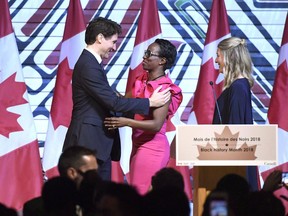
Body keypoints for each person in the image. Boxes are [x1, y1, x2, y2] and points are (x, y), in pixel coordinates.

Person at [63, 17, 171, 181]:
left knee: (97, 196)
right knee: (91, 196)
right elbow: (112, 103)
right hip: (89, 143)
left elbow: (107, 100)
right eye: (113, 42)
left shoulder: (91, 63)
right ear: (100, 38)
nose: (114, 47)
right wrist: (150, 102)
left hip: (97, 144)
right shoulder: (88, 65)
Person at [104, 39, 183, 194]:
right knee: (138, 193)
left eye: (149, 54)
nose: (144, 57)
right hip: (137, 145)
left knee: (141, 195)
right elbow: (125, 104)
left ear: (162, 61)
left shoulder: (163, 89)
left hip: (152, 148)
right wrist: (103, 88)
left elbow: (156, 125)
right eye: (145, 53)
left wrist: (126, 122)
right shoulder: (141, 80)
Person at [213, 36, 258, 191]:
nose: (216, 60)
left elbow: (235, 132)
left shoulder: (238, 88)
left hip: (235, 166)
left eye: (218, 55)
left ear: (228, 57)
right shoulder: (239, 86)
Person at [23, 146, 98, 216]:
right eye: (92, 173)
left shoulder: (101, 204)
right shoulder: (36, 209)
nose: (97, 177)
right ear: (72, 173)